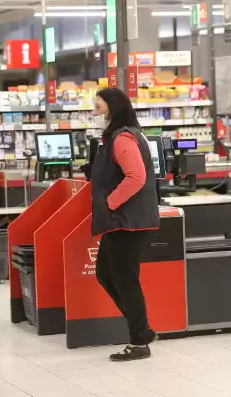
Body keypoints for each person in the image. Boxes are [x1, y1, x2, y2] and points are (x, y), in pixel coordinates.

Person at [90, 88, 160, 362]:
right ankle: (142, 330)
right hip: (125, 221)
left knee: (124, 279)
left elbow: (136, 176)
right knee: (106, 273)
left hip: (128, 221)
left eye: (97, 108)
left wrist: (110, 202)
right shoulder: (124, 134)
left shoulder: (122, 139)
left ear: (112, 109)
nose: (94, 114)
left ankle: (139, 341)